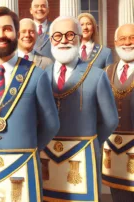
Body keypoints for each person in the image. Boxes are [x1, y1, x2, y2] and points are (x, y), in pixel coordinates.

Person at [0, 7, 60, 202]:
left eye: (7, 29)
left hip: (23, 167)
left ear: (17, 34)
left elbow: (51, 125)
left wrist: (27, 148)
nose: (1, 35)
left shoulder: (36, 74)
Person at [40, 16, 118, 201]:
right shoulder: (41, 76)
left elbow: (110, 120)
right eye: (57, 36)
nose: (64, 40)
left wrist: (92, 143)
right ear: (51, 40)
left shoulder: (98, 75)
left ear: (79, 37)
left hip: (82, 157)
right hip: (47, 156)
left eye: (69, 35)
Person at [102, 23, 134, 202]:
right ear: (115, 42)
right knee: (119, 197)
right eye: (123, 38)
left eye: (132, 38)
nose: (128, 42)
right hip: (114, 151)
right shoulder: (106, 72)